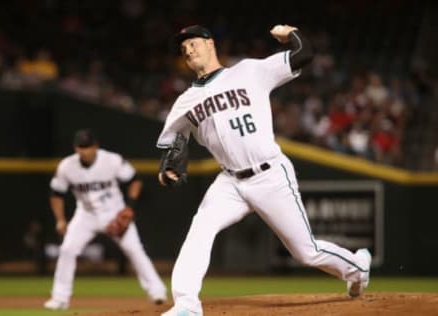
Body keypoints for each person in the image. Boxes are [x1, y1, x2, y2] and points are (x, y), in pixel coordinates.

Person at [157, 25, 372, 316]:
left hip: (269, 174)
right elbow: (174, 144)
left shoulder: (248, 72)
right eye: (183, 49)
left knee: (306, 252)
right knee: (200, 228)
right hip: (229, 181)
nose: (188, 50)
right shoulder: (184, 102)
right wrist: (168, 167)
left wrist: (291, 33)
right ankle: (186, 305)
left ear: (210, 44)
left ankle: (357, 267)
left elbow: (304, 54)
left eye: (193, 43)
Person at [44, 129, 167, 310]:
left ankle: (157, 291)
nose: (83, 151)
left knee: (134, 249)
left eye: (87, 146)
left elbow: (135, 180)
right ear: (75, 148)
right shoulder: (66, 166)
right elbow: (56, 194)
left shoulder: (112, 160)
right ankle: (60, 298)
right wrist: (60, 220)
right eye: (80, 147)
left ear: (96, 146)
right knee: (68, 249)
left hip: (114, 214)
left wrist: (129, 207)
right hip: (85, 215)